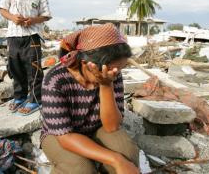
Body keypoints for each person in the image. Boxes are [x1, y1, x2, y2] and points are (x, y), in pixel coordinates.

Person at [41, 23, 140, 174]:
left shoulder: (112, 74)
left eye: (120, 69)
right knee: (81, 169)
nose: (116, 73)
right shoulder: (56, 81)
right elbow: (65, 136)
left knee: (128, 154)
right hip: (61, 135)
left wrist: (106, 85)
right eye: (113, 69)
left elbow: (112, 127)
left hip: (97, 129)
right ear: (86, 64)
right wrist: (115, 159)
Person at [0, 0, 51, 115]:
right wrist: (13, 17)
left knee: (33, 68)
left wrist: (32, 20)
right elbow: (2, 9)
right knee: (15, 67)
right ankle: (19, 97)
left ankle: (35, 99)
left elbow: (46, 15)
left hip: (32, 37)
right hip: (13, 36)